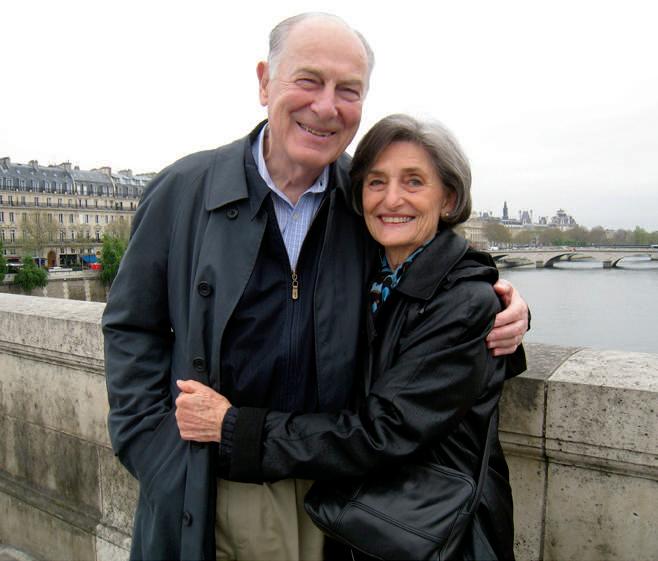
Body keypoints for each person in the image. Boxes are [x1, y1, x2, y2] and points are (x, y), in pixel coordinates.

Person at [103, 13, 528, 561]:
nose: (326, 106)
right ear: (264, 82)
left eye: (348, 90)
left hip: (335, 494)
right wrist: (153, 451)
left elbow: (431, 276)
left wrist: (506, 304)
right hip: (208, 480)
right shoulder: (183, 190)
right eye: (309, 80)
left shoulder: (365, 198)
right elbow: (132, 326)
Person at [198, 114, 524, 560]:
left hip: (440, 539)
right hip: (373, 524)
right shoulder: (373, 274)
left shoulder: (465, 301)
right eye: (376, 182)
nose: (391, 199)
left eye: (413, 182)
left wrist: (237, 430)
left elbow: (384, 430)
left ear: (448, 198)